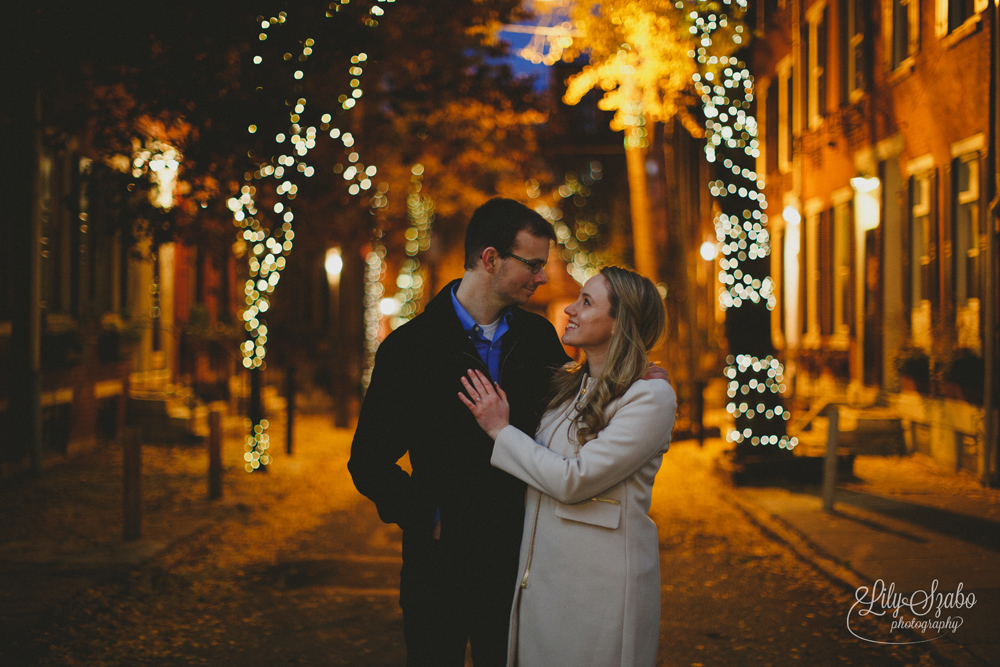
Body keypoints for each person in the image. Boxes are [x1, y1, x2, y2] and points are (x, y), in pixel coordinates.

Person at [348, 197, 571, 667]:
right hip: (437, 572)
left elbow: (577, 426)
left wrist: (636, 379)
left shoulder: (539, 341)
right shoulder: (409, 349)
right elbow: (368, 460)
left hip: (519, 568)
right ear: (490, 259)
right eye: (532, 264)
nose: (543, 277)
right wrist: (426, 515)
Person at [459, 266, 677, 667]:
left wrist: (499, 431)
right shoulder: (568, 387)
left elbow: (574, 480)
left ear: (619, 324)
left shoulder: (649, 397)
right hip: (542, 583)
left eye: (587, 302)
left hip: (599, 590)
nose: (570, 310)